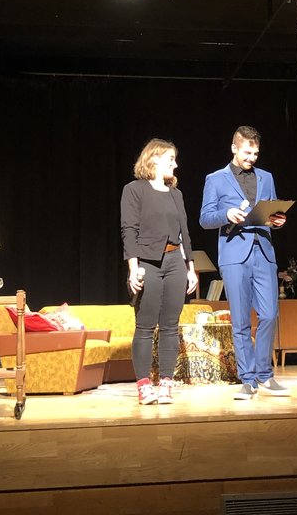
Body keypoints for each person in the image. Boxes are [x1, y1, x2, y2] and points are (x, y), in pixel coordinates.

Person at [199, 125, 289, 400]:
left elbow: (271, 212)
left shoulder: (266, 177)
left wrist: (278, 220)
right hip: (234, 255)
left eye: (256, 153)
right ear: (234, 148)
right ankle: (248, 380)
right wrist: (226, 214)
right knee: (240, 320)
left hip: (264, 252)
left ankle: (264, 374)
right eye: (247, 152)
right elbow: (205, 218)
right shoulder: (216, 179)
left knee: (269, 314)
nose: (252, 158)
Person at [121, 138, 198, 405]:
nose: (175, 165)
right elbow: (129, 231)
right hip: (148, 262)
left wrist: (191, 268)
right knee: (145, 326)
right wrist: (134, 269)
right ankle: (144, 386)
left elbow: (184, 233)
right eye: (170, 159)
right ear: (153, 158)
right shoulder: (134, 190)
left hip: (175, 261)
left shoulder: (176, 194)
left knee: (170, 327)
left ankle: (166, 383)